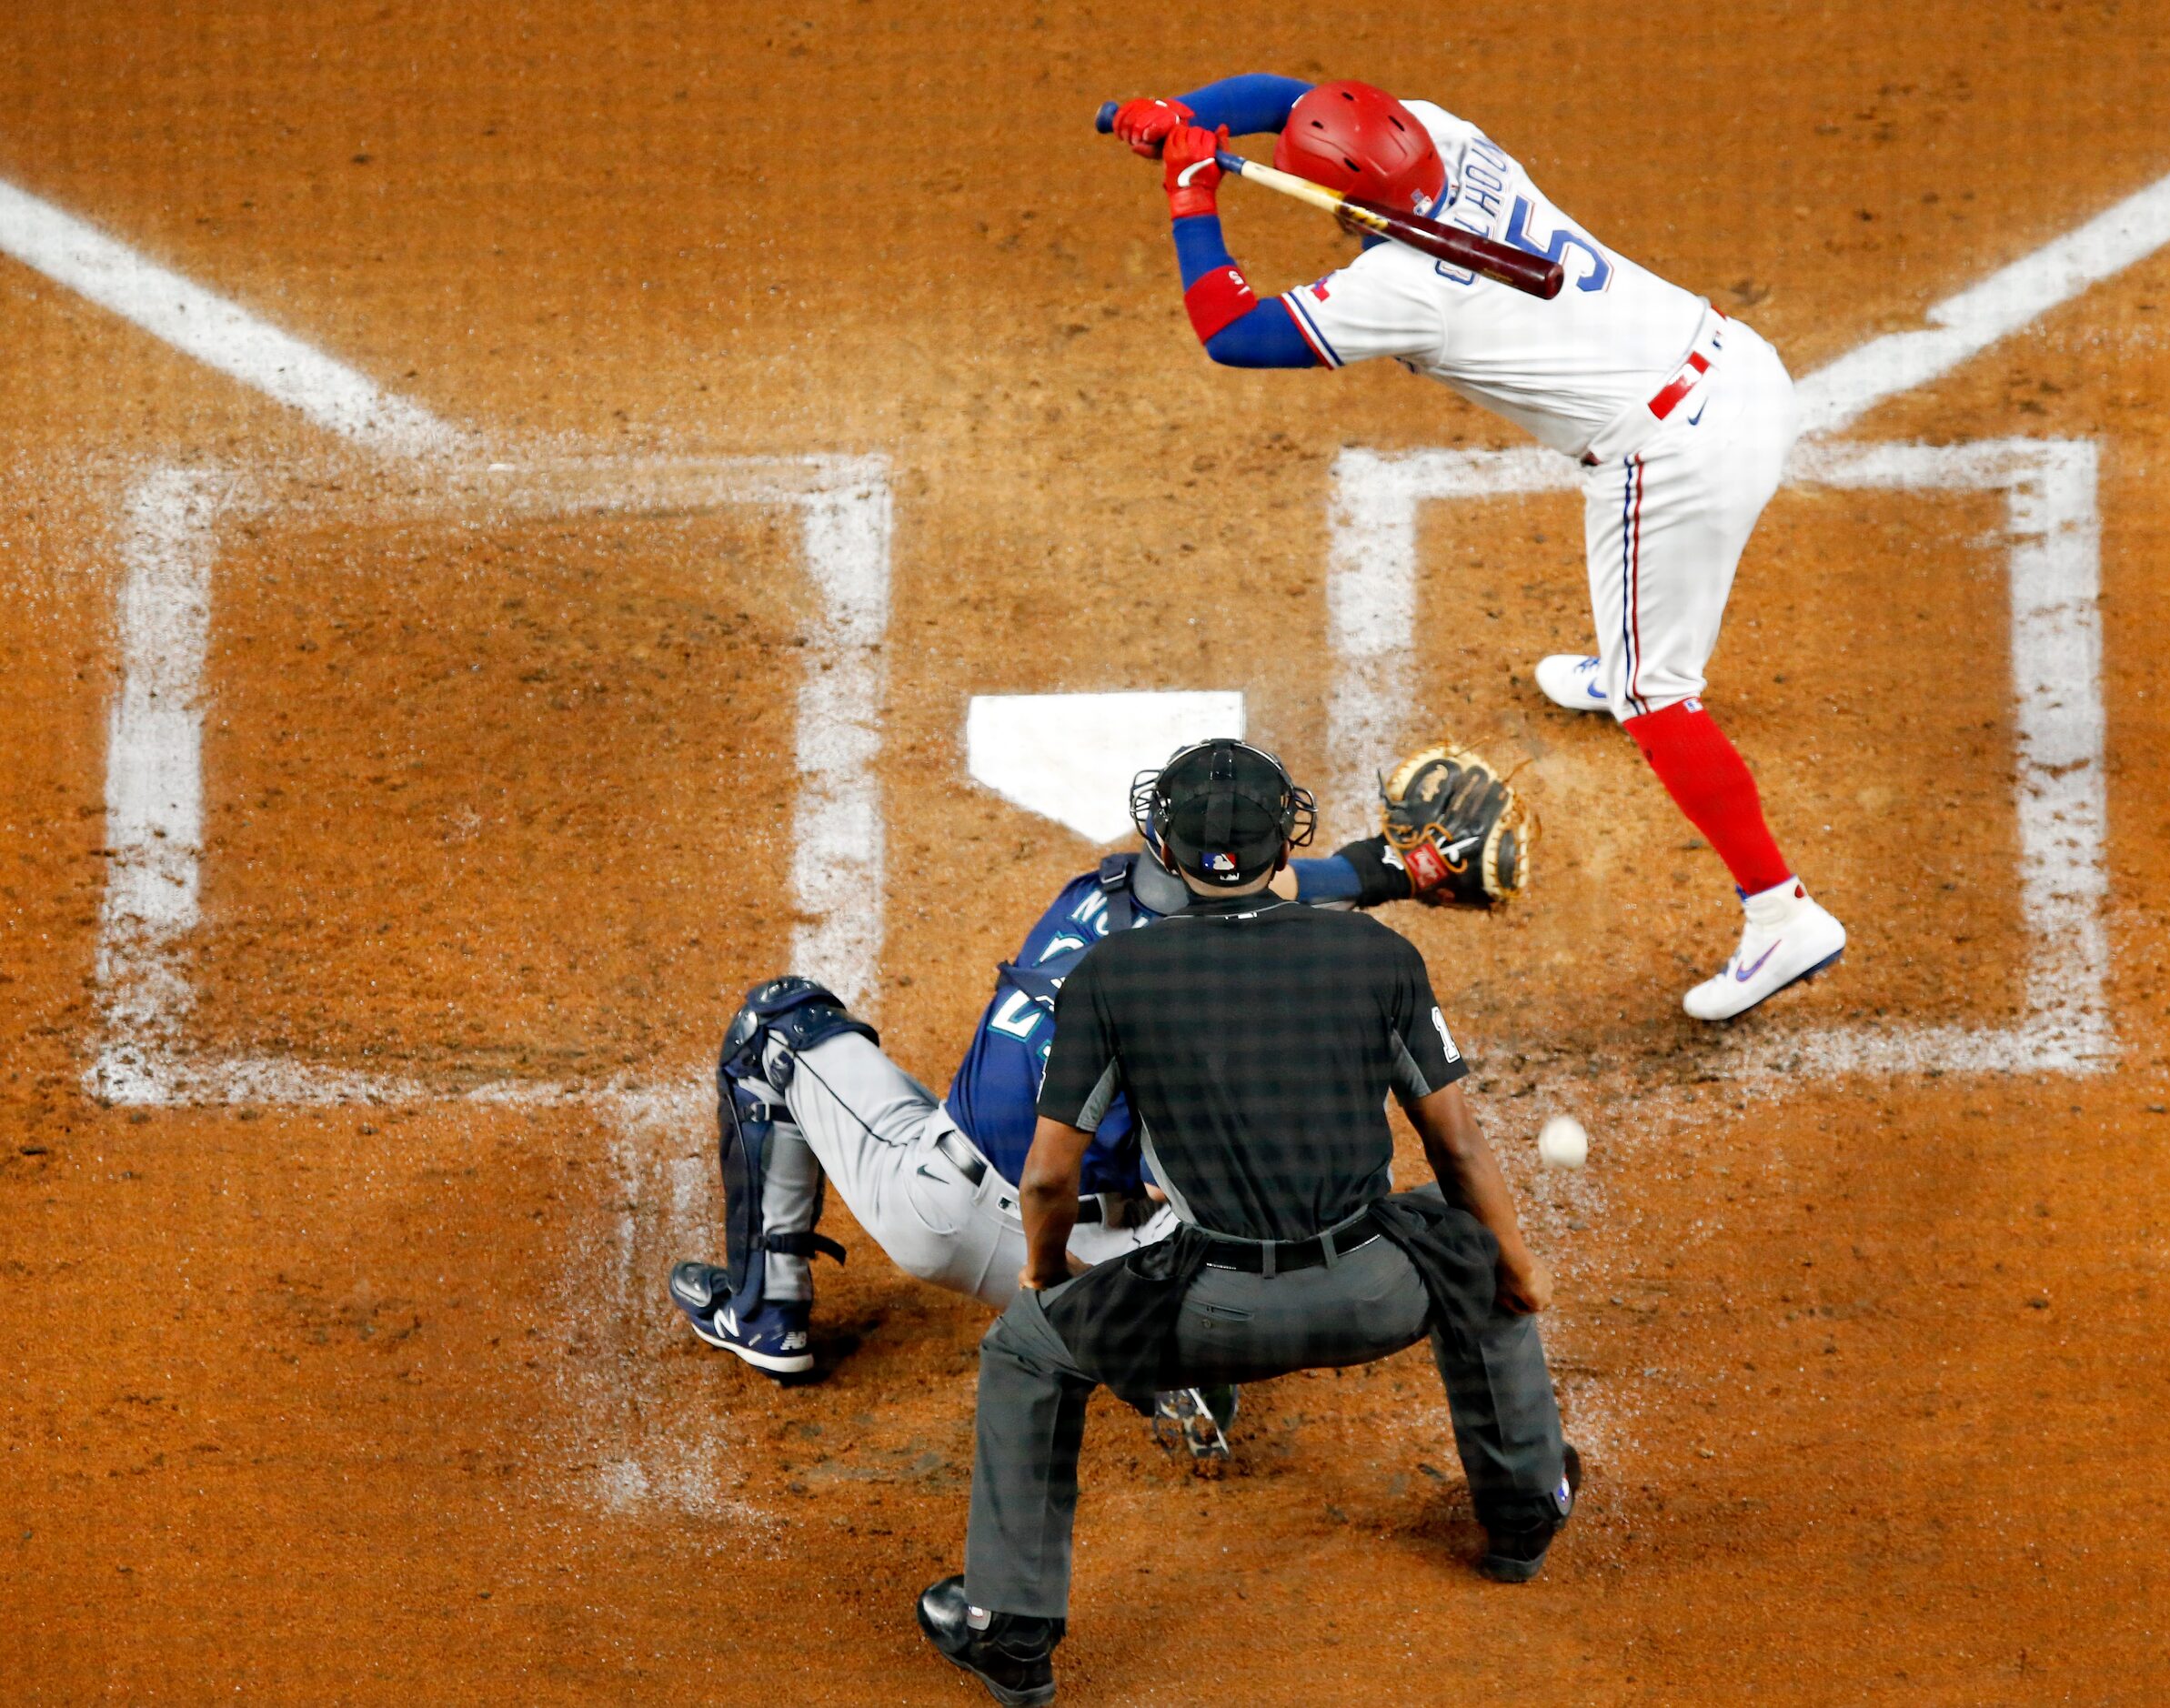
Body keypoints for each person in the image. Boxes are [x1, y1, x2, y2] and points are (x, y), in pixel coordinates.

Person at [1108, 77, 1847, 1020]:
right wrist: (1184, 113)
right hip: (1739, 368)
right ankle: (1632, 658)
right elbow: (1297, 95)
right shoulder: (1449, 139)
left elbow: (1236, 332)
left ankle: (1781, 915)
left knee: (1654, 698)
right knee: (1643, 645)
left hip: (1673, 456)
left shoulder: (1403, 290)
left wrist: (1191, 195)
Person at [916, 738, 1577, 1705]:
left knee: (1025, 1352)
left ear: (1165, 852)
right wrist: (1514, 1269)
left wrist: (1045, 1277)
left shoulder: (1114, 973)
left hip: (1203, 1317)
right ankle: (1522, 1514)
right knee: (1459, 1228)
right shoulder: (1378, 953)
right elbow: (1461, 1151)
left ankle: (1012, 1632)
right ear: (1287, 846)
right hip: (1378, 1292)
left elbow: (1049, 1178)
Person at [662, 747, 1519, 1405]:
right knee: (1208, 1143)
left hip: (954, 1203)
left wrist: (1043, 1283)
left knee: (774, 1023)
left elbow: (1245, 887)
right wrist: (1409, 869)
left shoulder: (1103, 892)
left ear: (1159, 840)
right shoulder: (1228, 978)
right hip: (1133, 1257)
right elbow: (1273, 894)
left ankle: (765, 1313)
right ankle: (1167, 1359)